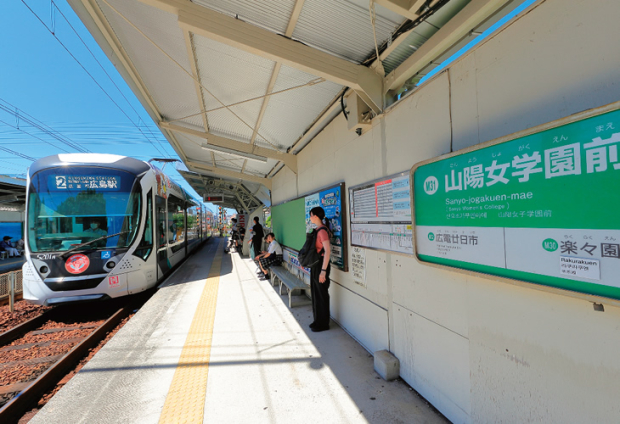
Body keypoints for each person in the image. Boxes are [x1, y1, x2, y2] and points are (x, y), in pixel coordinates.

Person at [308, 207, 332, 332]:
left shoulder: (322, 231)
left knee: (321, 295)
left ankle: (323, 323)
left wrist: (323, 271)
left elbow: (327, 251)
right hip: (317, 265)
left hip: (322, 265)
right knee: (316, 294)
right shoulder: (318, 230)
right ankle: (317, 320)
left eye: (311, 215)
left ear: (316, 216)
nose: (310, 217)